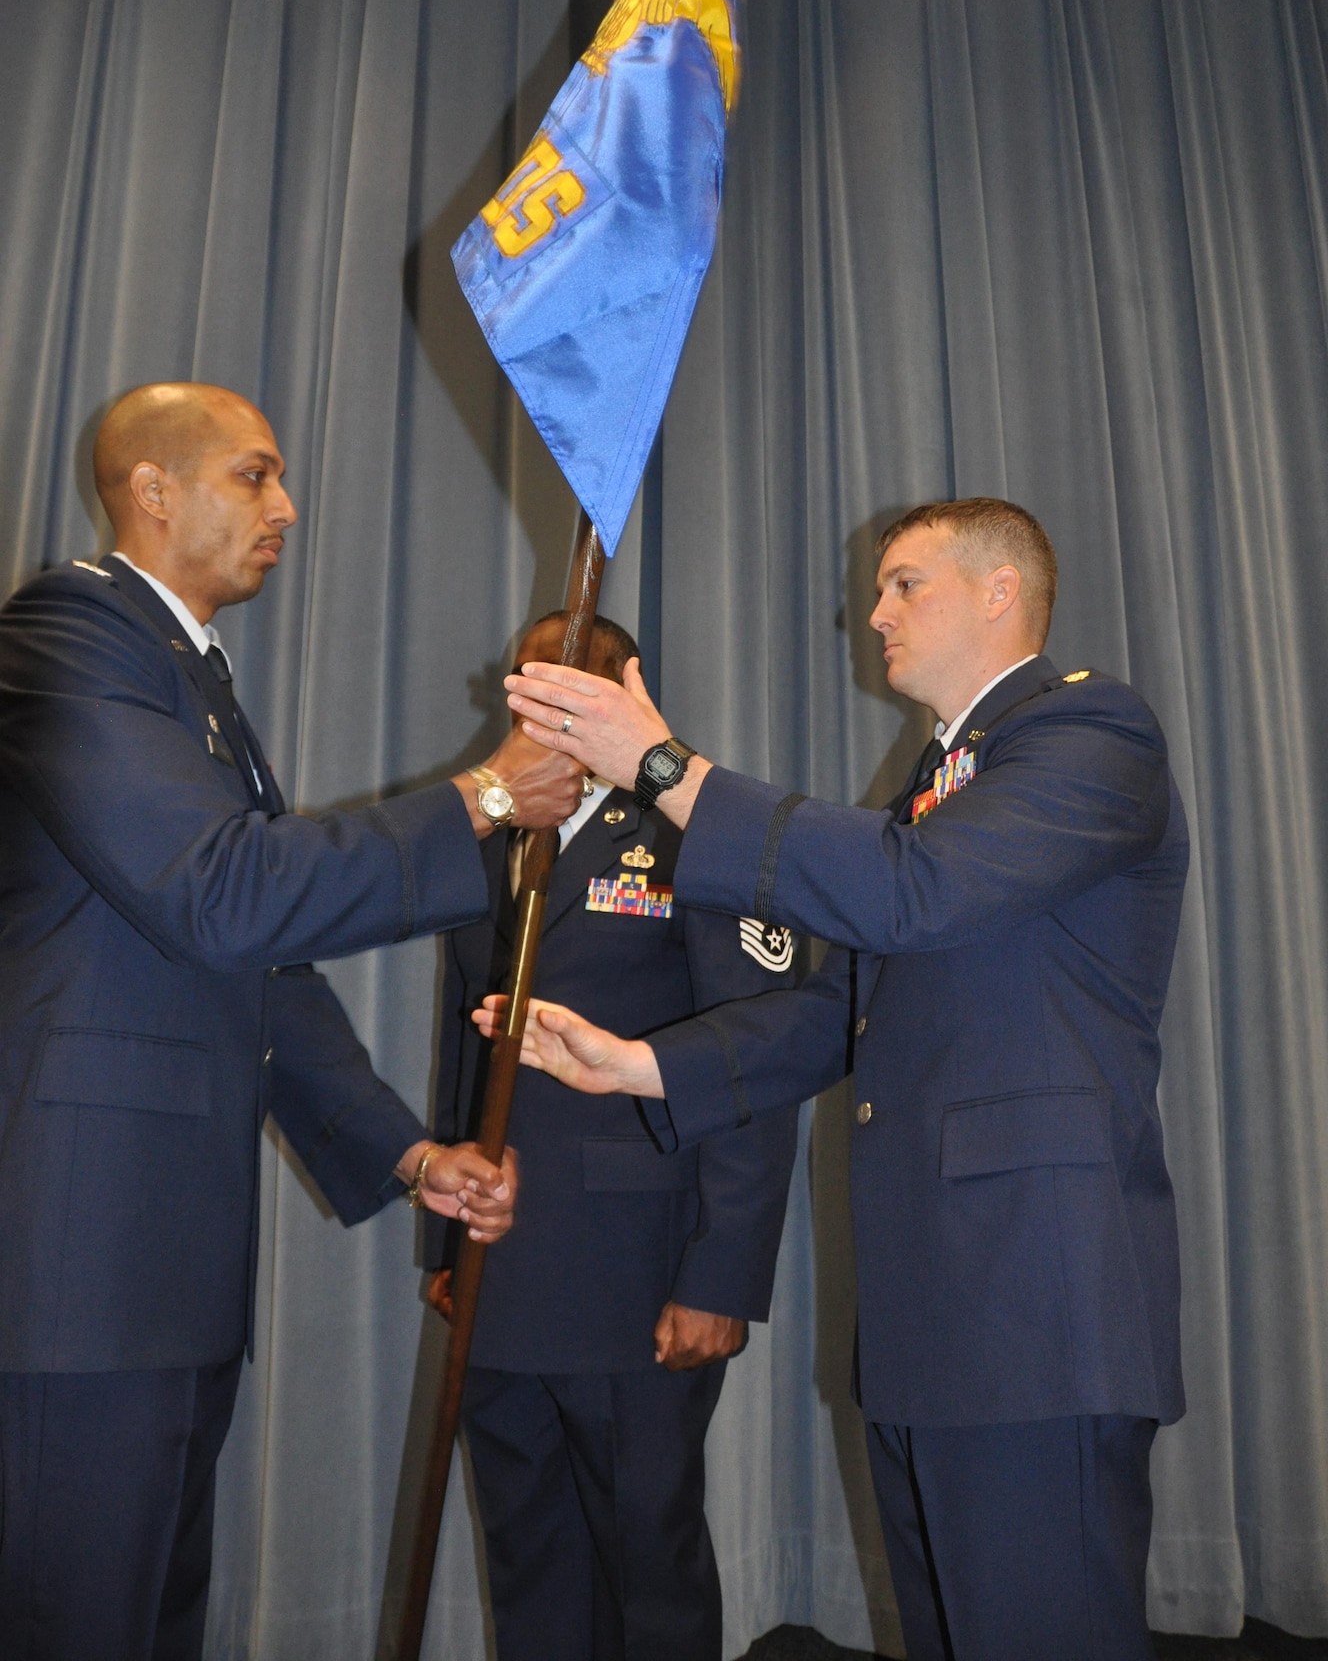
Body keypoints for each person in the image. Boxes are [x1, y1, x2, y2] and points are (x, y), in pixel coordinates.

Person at [487, 497, 1190, 1661]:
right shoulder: (934, 780)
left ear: (999, 592)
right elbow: (835, 1006)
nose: (871, 611)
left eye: (904, 582)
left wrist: (661, 768)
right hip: (936, 1318)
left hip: (1035, 1306)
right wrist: (642, 1064)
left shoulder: (1092, 734)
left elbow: (910, 890)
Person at [0, 382, 582, 1661]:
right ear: (152, 489)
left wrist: (410, 1153)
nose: (288, 507)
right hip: (75, 1268)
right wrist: (483, 793)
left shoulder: (185, 679)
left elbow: (261, 971)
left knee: (149, 1620)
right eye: (254, 476)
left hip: (161, 1270)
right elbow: (221, 896)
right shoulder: (67, 632)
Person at [426, 607, 798, 1661]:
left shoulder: (700, 835)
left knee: (649, 1572)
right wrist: (446, 1242)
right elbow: (464, 1052)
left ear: (625, 688)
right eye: (526, 679)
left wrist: (721, 1274)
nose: (543, 699)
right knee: (527, 1560)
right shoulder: (482, 829)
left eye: (571, 677)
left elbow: (754, 1065)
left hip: (634, 1275)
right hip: (498, 1268)